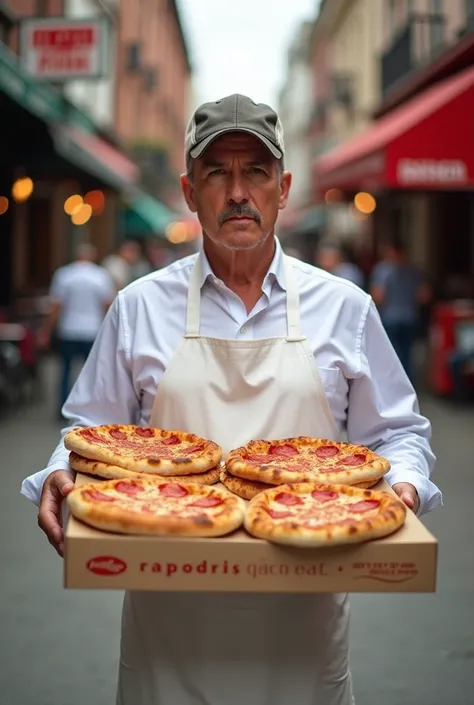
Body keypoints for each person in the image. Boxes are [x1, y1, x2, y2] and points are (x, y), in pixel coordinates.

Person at [22, 94, 442, 705]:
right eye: (218, 172)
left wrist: (402, 483)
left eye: (256, 171)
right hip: (168, 623)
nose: (238, 191)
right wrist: (61, 472)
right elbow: (89, 430)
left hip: (305, 625)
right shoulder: (138, 306)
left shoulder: (345, 308)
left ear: (284, 187)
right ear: (191, 192)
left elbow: (399, 433)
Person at [37, 243, 115, 419]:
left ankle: (63, 409)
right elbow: (107, 305)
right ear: (92, 256)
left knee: (65, 371)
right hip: (92, 330)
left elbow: (56, 306)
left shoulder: (64, 275)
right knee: (94, 373)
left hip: (69, 329)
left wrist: (45, 330)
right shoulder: (100, 275)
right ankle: (92, 410)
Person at [370, 238, 431, 382]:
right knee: (407, 354)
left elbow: (378, 296)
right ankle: (407, 383)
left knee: (391, 354)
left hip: (390, 317)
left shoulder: (383, 270)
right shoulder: (414, 271)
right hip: (409, 317)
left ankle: (393, 385)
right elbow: (423, 296)